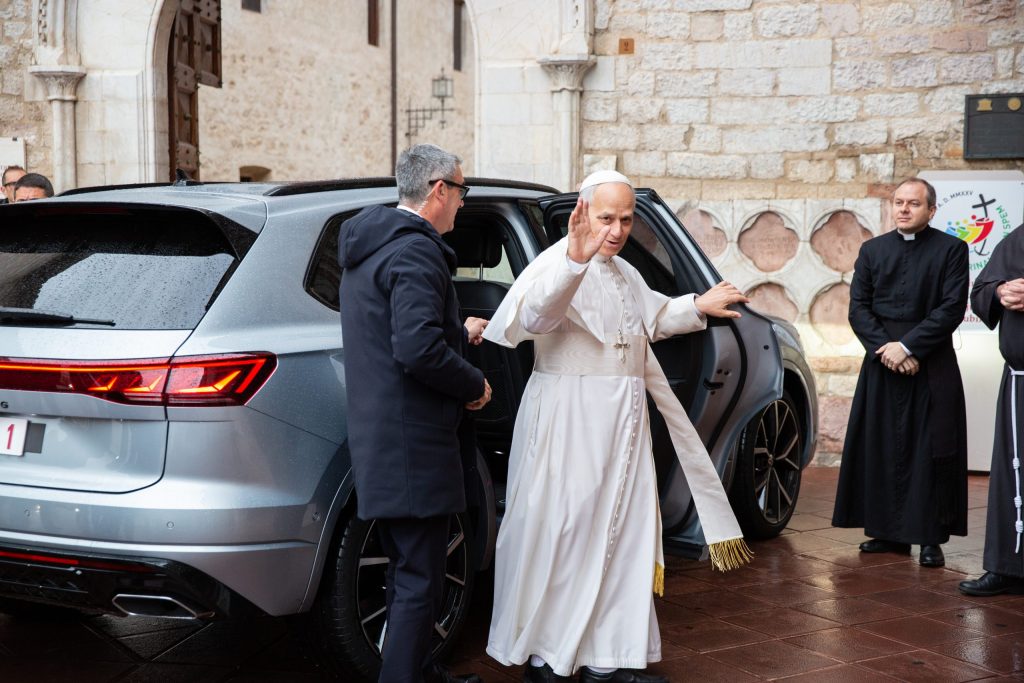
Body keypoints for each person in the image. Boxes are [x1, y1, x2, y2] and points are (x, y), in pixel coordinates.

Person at [484, 170, 752, 683]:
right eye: (607, 218)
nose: (618, 229)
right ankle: (547, 657)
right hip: (570, 420)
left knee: (624, 533)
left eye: (626, 219)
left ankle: (606, 660)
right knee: (567, 533)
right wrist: (576, 260)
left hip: (623, 424)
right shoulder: (554, 264)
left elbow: (650, 319)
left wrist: (697, 305)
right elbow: (535, 318)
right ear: (582, 213)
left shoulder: (623, 271)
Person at [338, 143, 490, 683]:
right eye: (461, 191)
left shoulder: (373, 245)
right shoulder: (415, 252)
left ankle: (422, 671)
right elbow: (416, 350)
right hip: (414, 445)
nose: (463, 204)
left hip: (387, 437)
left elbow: (395, 333)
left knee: (412, 571)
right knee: (418, 580)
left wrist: (459, 332)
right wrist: (473, 383)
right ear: (438, 190)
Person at [832, 177, 969, 568]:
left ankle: (929, 537)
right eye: (898, 202)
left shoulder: (952, 250)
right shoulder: (872, 250)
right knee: (881, 445)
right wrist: (887, 350)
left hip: (931, 362)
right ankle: (886, 532)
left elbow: (951, 308)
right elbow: (858, 307)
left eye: (913, 203)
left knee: (930, 448)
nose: (904, 209)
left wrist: (908, 347)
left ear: (931, 210)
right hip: (882, 362)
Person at [958, 222, 1024, 596]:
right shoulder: (1018, 238)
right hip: (1019, 380)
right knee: (1012, 476)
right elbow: (981, 288)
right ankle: (1008, 567)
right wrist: (1000, 290)